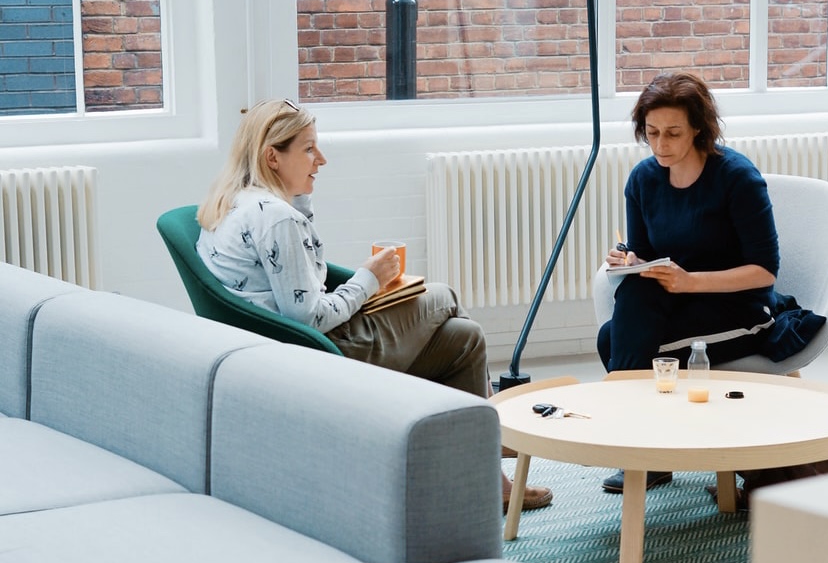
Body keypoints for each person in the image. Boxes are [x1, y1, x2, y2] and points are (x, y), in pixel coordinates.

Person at [195, 98, 552, 514]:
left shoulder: (240, 203)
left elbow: (299, 285)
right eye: (309, 148)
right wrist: (369, 279)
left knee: (465, 338)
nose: (321, 159)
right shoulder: (277, 219)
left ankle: (486, 475)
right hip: (322, 353)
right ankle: (492, 430)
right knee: (444, 295)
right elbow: (307, 316)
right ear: (272, 156)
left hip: (285, 350)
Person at [597, 73, 783, 498]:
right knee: (618, 325)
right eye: (652, 133)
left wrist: (688, 281)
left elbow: (765, 270)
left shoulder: (737, 178)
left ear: (698, 127)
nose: (661, 144)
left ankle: (638, 445)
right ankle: (647, 448)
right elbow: (644, 256)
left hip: (739, 308)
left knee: (616, 342)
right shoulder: (643, 179)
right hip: (677, 303)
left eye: (673, 133)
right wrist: (628, 260)